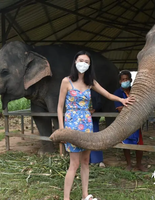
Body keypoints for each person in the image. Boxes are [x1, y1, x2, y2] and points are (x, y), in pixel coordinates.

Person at [57, 51, 134, 200]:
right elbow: (60, 107)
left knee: (86, 161)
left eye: (86, 62)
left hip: (86, 123)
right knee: (74, 163)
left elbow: (107, 94)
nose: (83, 64)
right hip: (71, 123)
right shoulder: (66, 81)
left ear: (90, 65)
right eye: (81, 60)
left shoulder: (91, 82)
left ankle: (85, 195)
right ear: (75, 62)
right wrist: (62, 130)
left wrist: (122, 100)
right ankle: (66, 198)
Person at [114, 70, 145, 171]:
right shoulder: (117, 93)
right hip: (124, 122)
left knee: (139, 143)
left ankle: (139, 164)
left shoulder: (135, 91)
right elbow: (119, 108)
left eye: (126, 79)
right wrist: (133, 108)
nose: (125, 81)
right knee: (125, 143)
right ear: (119, 81)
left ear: (131, 80)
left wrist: (128, 107)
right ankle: (129, 164)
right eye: (123, 79)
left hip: (136, 121)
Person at [89, 89, 105, 168]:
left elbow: (99, 103)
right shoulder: (79, 90)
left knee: (95, 137)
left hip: (93, 118)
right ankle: (88, 160)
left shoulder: (95, 91)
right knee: (85, 138)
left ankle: (98, 160)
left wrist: (94, 110)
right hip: (82, 119)